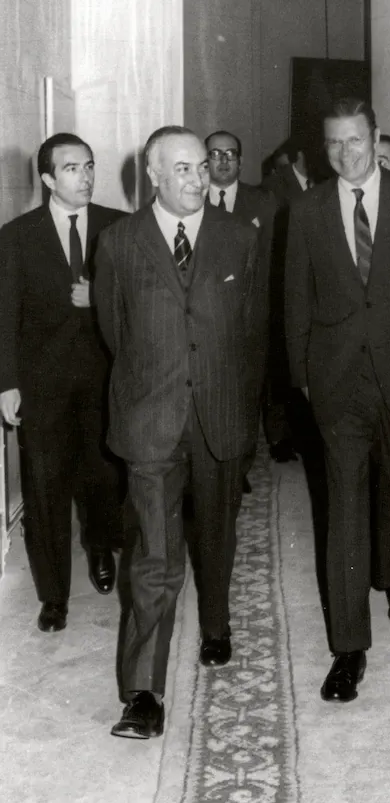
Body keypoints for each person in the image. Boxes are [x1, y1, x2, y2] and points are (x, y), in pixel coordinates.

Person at [95, 127, 259, 740]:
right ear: (153, 174)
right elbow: (116, 332)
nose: (199, 179)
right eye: (185, 169)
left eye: (203, 169)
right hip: (151, 419)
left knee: (216, 534)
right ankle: (143, 691)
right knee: (154, 556)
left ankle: (215, 625)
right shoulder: (118, 242)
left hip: (219, 415)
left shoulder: (239, 238)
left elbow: (249, 332)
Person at [286, 97, 390, 703]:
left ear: (376, 138)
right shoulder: (306, 209)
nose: (346, 154)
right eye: (334, 144)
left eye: (356, 141)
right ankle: (349, 647)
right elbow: (295, 296)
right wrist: (302, 377)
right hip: (337, 379)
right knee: (344, 507)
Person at [0, 133, 124, 633]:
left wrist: (99, 298)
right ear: (49, 178)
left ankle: (99, 549)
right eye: (73, 168)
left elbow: (138, 299)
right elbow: (4, 315)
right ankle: (53, 595)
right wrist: (7, 382)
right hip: (42, 383)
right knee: (45, 488)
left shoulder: (118, 227)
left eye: (90, 166)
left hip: (104, 377)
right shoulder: (16, 236)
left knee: (102, 476)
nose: (86, 176)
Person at [206, 129, 277, 488]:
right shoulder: (191, 199)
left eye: (230, 154)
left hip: (252, 319)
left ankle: (239, 469)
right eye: (215, 154)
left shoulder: (265, 203)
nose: (222, 160)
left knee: (247, 396)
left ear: (241, 160)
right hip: (204, 322)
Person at [263, 135, 314, 462]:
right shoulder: (273, 186)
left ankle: (305, 435)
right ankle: (279, 437)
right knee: (281, 364)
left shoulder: (324, 183)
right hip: (280, 287)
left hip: (317, 288)